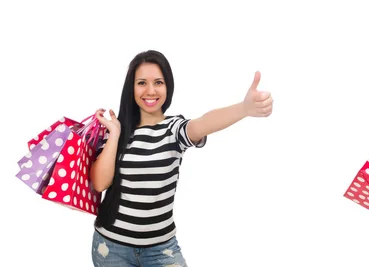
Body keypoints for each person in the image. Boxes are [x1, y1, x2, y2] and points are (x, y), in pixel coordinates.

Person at [89, 50, 273, 267]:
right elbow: (99, 183)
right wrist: (115, 134)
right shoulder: (115, 130)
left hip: (161, 249)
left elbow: (203, 123)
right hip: (111, 248)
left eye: (158, 82)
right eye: (141, 83)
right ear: (131, 87)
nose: (150, 91)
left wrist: (244, 108)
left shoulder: (173, 129)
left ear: (168, 86)